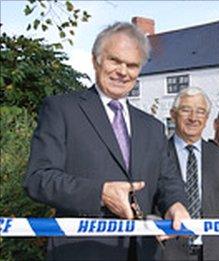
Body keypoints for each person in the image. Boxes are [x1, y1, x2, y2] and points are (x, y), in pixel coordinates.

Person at [23, 22, 190, 260]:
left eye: (132, 65)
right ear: (96, 61)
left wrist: (176, 204)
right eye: (115, 60)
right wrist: (100, 193)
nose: (123, 71)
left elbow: (167, 181)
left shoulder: (153, 127)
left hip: (145, 252)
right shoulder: (61, 109)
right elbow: (38, 178)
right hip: (82, 252)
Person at [159, 87, 219, 260]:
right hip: (168, 252)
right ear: (173, 115)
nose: (193, 118)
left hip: (216, 254)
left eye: (200, 112)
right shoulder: (157, 154)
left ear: (207, 119)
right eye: (186, 110)